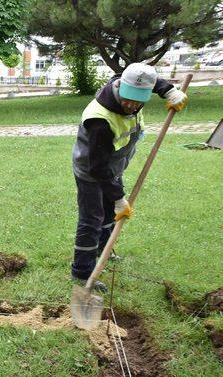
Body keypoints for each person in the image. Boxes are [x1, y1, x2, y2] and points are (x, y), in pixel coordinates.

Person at [71, 63, 187, 290]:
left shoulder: (127, 81)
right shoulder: (99, 120)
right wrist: (118, 198)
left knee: (108, 218)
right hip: (92, 172)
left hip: (112, 168)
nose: (131, 105)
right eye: (127, 98)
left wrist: (169, 90)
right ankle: (83, 272)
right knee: (92, 219)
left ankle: (102, 252)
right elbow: (97, 168)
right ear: (119, 87)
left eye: (138, 99)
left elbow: (148, 79)